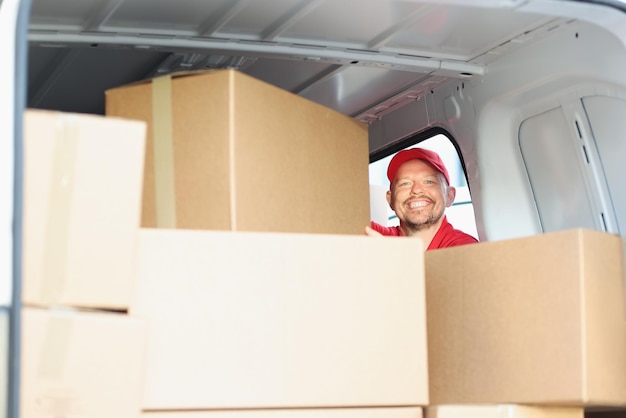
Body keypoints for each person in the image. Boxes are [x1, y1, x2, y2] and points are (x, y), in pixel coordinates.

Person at [366, 147, 479, 250]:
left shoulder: (464, 248)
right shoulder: (374, 235)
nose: (416, 190)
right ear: (390, 200)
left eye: (428, 182)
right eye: (405, 183)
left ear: (449, 196)